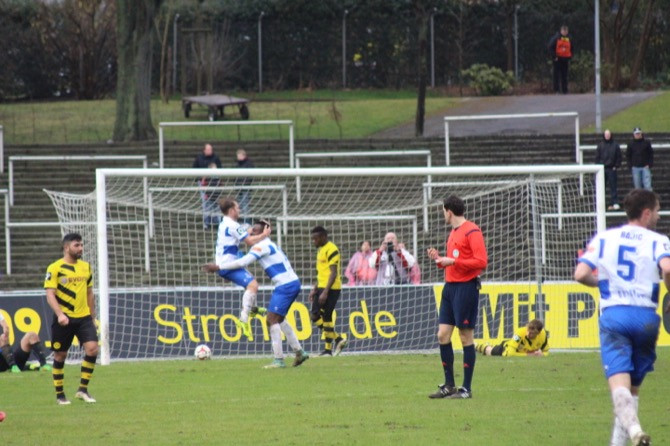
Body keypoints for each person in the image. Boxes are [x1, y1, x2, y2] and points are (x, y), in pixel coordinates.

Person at [574, 189, 669, 446]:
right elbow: (668, 268)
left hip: (615, 316)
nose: (658, 216)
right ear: (646, 212)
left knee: (619, 385)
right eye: (657, 211)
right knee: (632, 389)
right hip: (646, 318)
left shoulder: (604, 238)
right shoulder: (658, 240)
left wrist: (600, 284)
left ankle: (635, 429)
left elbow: (580, 273)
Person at [204, 220, 309, 369]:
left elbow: (243, 262)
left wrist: (218, 266)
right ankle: (299, 352)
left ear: (261, 233)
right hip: (289, 283)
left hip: (286, 285)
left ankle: (279, 360)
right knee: (279, 318)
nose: (250, 234)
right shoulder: (267, 244)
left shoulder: (262, 246)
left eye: (253, 231)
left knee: (271, 320)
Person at [427, 195, 488, 399]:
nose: (443, 214)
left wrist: (452, 262)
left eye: (443, 211)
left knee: (465, 337)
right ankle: (449, 385)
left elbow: (481, 261)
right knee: (442, 335)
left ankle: (466, 389)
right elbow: (452, 261)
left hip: (466, 288)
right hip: (450, 288)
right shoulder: (453, 233)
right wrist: (439, 260)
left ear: (449, 211)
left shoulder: (472, 230)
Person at [44, 233, 99, 405]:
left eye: (81, 245)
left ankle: (82, 390)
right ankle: (60, 395)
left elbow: (89, 292)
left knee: (92, 349)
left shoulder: (86, 267)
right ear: (66, 247)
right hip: (64, 318)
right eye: (77, 245)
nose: (81, 248)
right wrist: (60, 314)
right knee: (60, 355)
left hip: (83, 317)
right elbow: (50, 294)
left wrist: (92, 314)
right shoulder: (55, 268)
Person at [212, 197, 271, 341]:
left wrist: (250, 230)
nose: (239, 210)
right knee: (253, 285)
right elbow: (249, 241)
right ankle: (243, 320)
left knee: (251, 283)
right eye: (237, 208)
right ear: (232, 210)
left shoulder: (225, 223)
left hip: (226, 261)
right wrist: (264, 235)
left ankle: (253, 309)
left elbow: (241, 233)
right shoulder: (232, 225)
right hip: (228, 264)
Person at [309, 226, 347, 357]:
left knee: (316, 315)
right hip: (321, 287)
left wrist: (325, 292)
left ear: (323, 237)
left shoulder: (332, 249)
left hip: (331, 288)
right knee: (325, 318)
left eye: (315, 239)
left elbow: (333, 273)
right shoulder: (320, 250)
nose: (314, 241)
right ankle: (331, 346)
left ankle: (335, 342)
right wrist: (315, 288)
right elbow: (321, 272)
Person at [476, 319, 549, 357]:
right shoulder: (519, 334)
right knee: (489, 351)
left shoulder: (543, 335)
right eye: (528, 331)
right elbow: (511, 353)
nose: (528, 334)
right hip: (506, 348)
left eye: (532, 333)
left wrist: (542, 354)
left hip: (521, 351)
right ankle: (476, 346)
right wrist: (529, 355)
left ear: (538, 333)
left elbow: (546, 352)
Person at [193, 144, 223, 229]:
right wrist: (200, 179)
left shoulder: (216, 158)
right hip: (204, 184)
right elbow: (194, 169)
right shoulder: (199, 158)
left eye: (211, 149)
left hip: (214, 184)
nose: (210, 151)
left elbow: (220, 169)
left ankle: (217, 222)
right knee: (205, 204)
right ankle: (206, 223)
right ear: (204, 150)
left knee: (216, 205)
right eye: (208, 149)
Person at [595, 129, 623, 211]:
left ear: (611, 135)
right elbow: (597, 156)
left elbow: (619, 156)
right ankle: (600, 203)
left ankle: (615, 202)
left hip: (611, 169)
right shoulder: (600, 145)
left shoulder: (615, 145)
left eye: (608, 134)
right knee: (601, 187)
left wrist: (616, 166)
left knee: (613, 186)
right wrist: (598, 166)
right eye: (606, 134)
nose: (607, 136)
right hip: (602, 169)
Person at [547, 25, 573, 94]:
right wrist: (554, 56)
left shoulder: (569, 38)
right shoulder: (556, 38)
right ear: (561, 31)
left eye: (566, 31)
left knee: (565, 75)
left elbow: (572, 48)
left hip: (565, 59)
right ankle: (556, 90)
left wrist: (570, 56)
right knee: (556, 75)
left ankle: (565, 90)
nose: (565, 32)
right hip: (557, 59)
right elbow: (550, 47)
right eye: (563, 31)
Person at [235, 149, 254, 225]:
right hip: (239, 188)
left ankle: (247, 221)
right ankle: (242, 220)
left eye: (239, 155)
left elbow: (250, 176)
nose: (238, 157)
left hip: (245, 188)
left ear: (244, 156)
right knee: (240, 205)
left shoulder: (248, 164)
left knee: (245, 204)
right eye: (237, 156)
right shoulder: (238, 165)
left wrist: (245, 184)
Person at [200, 162, 222, 229]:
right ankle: (206, 224)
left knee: (217, 210)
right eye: (214, 168)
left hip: (216, 196)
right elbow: (203, 185)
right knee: (207, 210)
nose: (215, 170)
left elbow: (220, 185)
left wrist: (218, 193)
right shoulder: (206, 176)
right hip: (208, 196)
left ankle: (218, 224)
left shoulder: (218, 176)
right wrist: (207, 193)